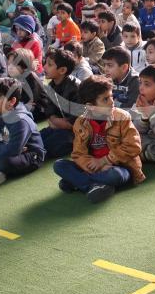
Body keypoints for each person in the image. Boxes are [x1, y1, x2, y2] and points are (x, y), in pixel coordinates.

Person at [54, 75, 144, 203]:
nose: (112, 102)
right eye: (105, 99)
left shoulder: (122, 117)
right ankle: (95, 186)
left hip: (118, 166)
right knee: (59, 165)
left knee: (116, 175)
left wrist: (104, 161)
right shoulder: (80, 123)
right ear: (91, 106)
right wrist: (96, 167)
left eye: (111, 96)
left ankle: (79, 182)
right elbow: (78, 154)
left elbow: (133, 146)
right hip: (93, 166)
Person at [40, 49, 81, 159]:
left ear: (62, 70)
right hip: (57, 127)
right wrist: (55, 121)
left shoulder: (76, 88)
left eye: (49, 65)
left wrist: (55, 121)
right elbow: (49, 112)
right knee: (33, 139)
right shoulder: (51, 85)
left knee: (44, 147)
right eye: (45, 63)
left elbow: (73, 124)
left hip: (74, 134)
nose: (44, 67)